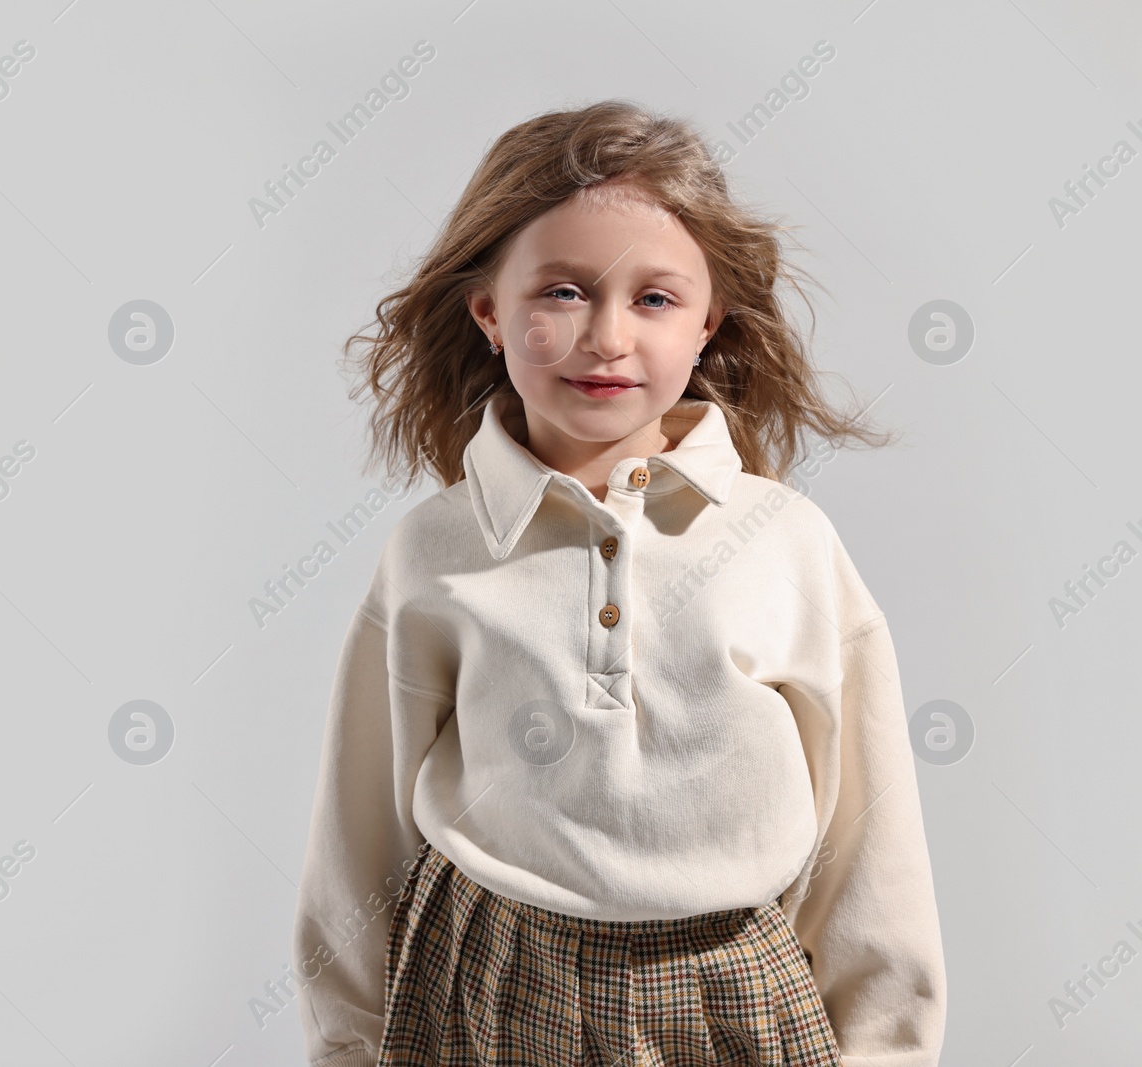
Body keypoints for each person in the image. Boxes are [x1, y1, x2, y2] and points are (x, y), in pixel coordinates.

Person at [290, 99, 946, 1066]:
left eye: (654, 299)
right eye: (561, 292)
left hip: (732, 996)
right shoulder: (435, 548)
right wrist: (347, 1044)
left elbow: (870, 839)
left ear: (708, 321)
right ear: (490, 312)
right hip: (486, 984)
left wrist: (888, 1046)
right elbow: (359, 833)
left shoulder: (785, 542)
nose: (605, 336)